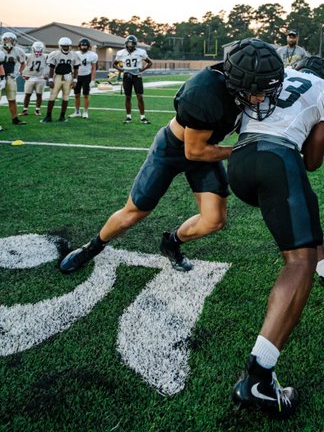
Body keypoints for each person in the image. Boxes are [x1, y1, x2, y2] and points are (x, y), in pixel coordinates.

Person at [58, 38, 281, 276]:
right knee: (135, 212)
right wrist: (240, 150)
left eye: (265, 90)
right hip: (175, 149)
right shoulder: (204, 93)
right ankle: (92, 247)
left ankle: (172, 242)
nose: (261, 98)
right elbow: (194, 152)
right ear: (238, 82)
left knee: (214, 220)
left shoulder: (248, 84)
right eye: (256, 91)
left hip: (207, 146)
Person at [228, 52, 324, 419]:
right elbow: (312, 161)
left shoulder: (281, 76)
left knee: (305, 207)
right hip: (277, 160)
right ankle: (259, 376)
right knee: (298, 261)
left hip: (240, 161)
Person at [114, 35, 152, 123]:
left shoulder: (140, 52)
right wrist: (121, 70)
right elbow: (114, 64)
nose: (130, 45)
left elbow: (150, 62)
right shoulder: (121, 53)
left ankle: (142, 117)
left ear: (135, 44)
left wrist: (142, 69)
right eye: (129, 43)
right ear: (126, 44)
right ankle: (128, 117)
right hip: (127, 76)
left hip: (137, 76)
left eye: (132, 44)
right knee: (127, 97)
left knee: (140, 96)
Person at [42, 38, 81, 122]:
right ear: (60, 46)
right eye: (64, 46)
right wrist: (50, 80)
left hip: (68, 77)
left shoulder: (74, 55)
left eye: (67, 46)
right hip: (57, 77)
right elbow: (51, 68)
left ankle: (62, 116)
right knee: (52, 96)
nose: (66, 48)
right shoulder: (55, 54)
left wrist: (75, 80)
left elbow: (76, 69)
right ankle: (48, 116)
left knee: (66, 97)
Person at [0, 31, 27, 126]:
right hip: (0, 77)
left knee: (12, 99)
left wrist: (18, 73)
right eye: (6, 39)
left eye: (10, 40)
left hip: (10, 76)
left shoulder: (18, 51)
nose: (7, 41)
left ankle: (15, 119)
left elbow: (23, 63)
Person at [69, 38, 98, 119]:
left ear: (88, 47)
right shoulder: (75, 54)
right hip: (77, 76)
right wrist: (72, 77)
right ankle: (77, 112)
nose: (84, 47)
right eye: (82, 45)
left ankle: (85, 112)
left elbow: (93, 68)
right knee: (76, 95)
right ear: (79, 46)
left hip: (87, 76)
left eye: (85, 46)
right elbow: (72, 67)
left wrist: (92, 80)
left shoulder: (92, 55)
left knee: (86, 95)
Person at [20, 41, 50, 117]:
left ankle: (37, 110)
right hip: (30, 77)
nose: (38, 52)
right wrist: (23, 74)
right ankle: (25, 110)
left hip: (40, 78)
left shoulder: (46, 56)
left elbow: (49, 67)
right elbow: (23, 65)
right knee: (27, 95)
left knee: (39, 95)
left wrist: (47, 75)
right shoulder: (28, 56)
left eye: (39, 50)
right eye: (36, 50)